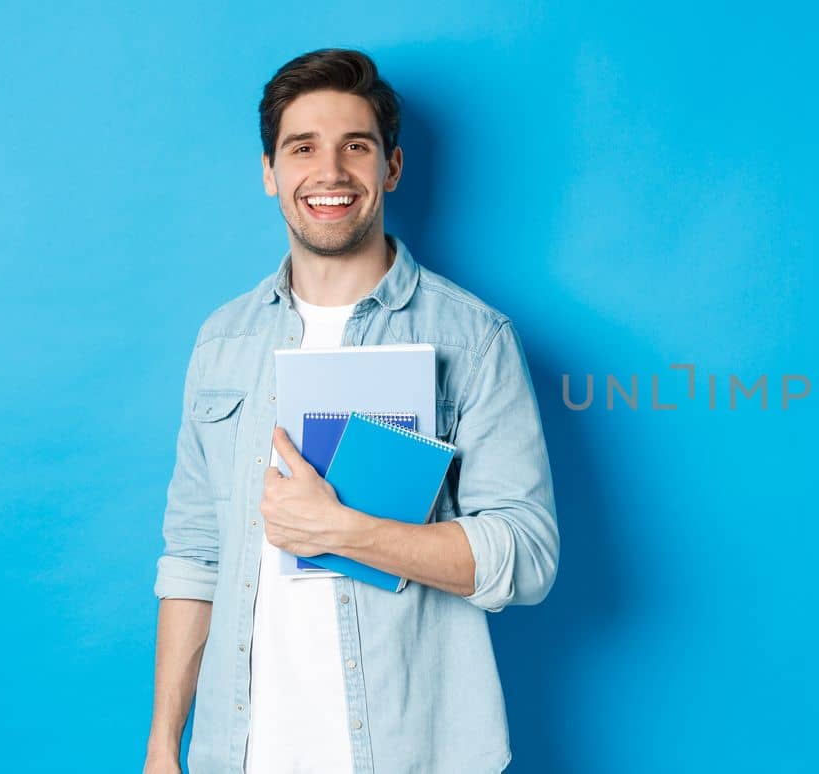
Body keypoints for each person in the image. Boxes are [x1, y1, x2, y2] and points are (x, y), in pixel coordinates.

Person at [142, 48, 559, 774]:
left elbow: (526, 556)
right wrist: (162, 745)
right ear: (270, 172)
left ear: (391, 169)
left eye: (355, 147)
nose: (329, 172)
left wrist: (344, 530)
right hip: (238, 755)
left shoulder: (474, 338)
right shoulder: (223, 342)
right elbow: (195, 558)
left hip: (414, 755)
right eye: (303, 148)